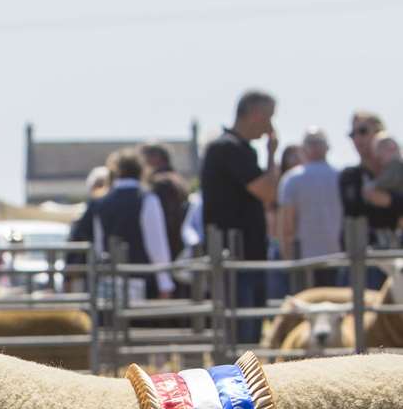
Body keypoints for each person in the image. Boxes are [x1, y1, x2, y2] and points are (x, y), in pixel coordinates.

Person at [200, 90, 282, 339]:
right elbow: (267, 192)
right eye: (269, 117)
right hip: (236, 256)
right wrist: (271, 153)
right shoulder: (229, 148)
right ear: (256, 115)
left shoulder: (237, 148)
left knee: (249, 332)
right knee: (241, 335)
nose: (270, 125)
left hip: (245, 252)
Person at [75, 148, 175, 302]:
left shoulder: (100, 202)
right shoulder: (147, 199)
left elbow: (100, 246)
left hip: (109, 278)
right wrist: (165, 283)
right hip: (142, 277)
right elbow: (157, 245)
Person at [337, 111, 403, 273]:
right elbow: (355, 212)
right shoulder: (351, 176)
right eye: (353, 134)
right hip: (367, 264)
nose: (357, 139)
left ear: (380, 133)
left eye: (363, 131)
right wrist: (398, 213)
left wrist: (389, 200)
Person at [273, 127, 341, 296]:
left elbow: (287, 225)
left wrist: (288, 259)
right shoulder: (341, 177)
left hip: (303, 258)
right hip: (337, 256)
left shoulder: (291, 179)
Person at [137, 142, 189, 265]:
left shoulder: (162, 183)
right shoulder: (175, 179)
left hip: (168, 253)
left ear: (156, 158)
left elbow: (165, 222)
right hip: (177, 250)